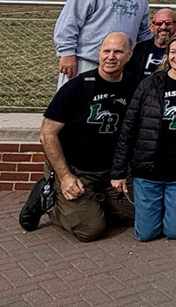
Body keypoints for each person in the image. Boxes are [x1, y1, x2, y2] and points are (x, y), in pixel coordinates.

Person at [28, 33, 136, 240]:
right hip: (76, 170)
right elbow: (47, 134)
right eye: (106, 51)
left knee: (137, 216)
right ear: (99, 53)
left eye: (118, 52)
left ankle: (92, 203)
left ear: (129, 55)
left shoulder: (133, 86)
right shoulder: (78, 86)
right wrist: (65, 177)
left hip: (110, 172)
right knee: (90, 230)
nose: (111, 57)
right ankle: (49, 200)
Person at [111, 32, 176, 242]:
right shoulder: (149, 83)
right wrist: (119, 171)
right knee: (145, 234)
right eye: (173, 52)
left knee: (175, 232)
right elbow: (128, 128)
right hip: (148, 171)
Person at [125, 8, 176, 81]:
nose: (163, 27)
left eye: (168, 23)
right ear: (151, 27)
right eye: (158, 23)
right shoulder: (139, 49)